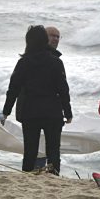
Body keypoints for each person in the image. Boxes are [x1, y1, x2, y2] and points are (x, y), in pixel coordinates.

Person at [1, 25, 72, 175]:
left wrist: (6, 112)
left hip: (30, 112)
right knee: (53, 149)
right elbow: (63, 90)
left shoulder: (23, 63)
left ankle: (27, 176)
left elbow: (13, 89)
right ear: (45, 40)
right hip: (52, 112)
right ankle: (53, 176)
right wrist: (68, 112)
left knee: (30, 149)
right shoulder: (55, 62)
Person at [34, 26, 65, 169]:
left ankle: (51, 174)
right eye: (52, 36)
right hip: (35, 111)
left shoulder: (56, 59)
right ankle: (36, 170)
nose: (55, 39)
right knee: (34, 146)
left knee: (53, 149)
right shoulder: (32, 57)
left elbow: (63, 88)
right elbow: (17, 85)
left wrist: (66, 111)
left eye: (58, 37)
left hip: (51, 111)